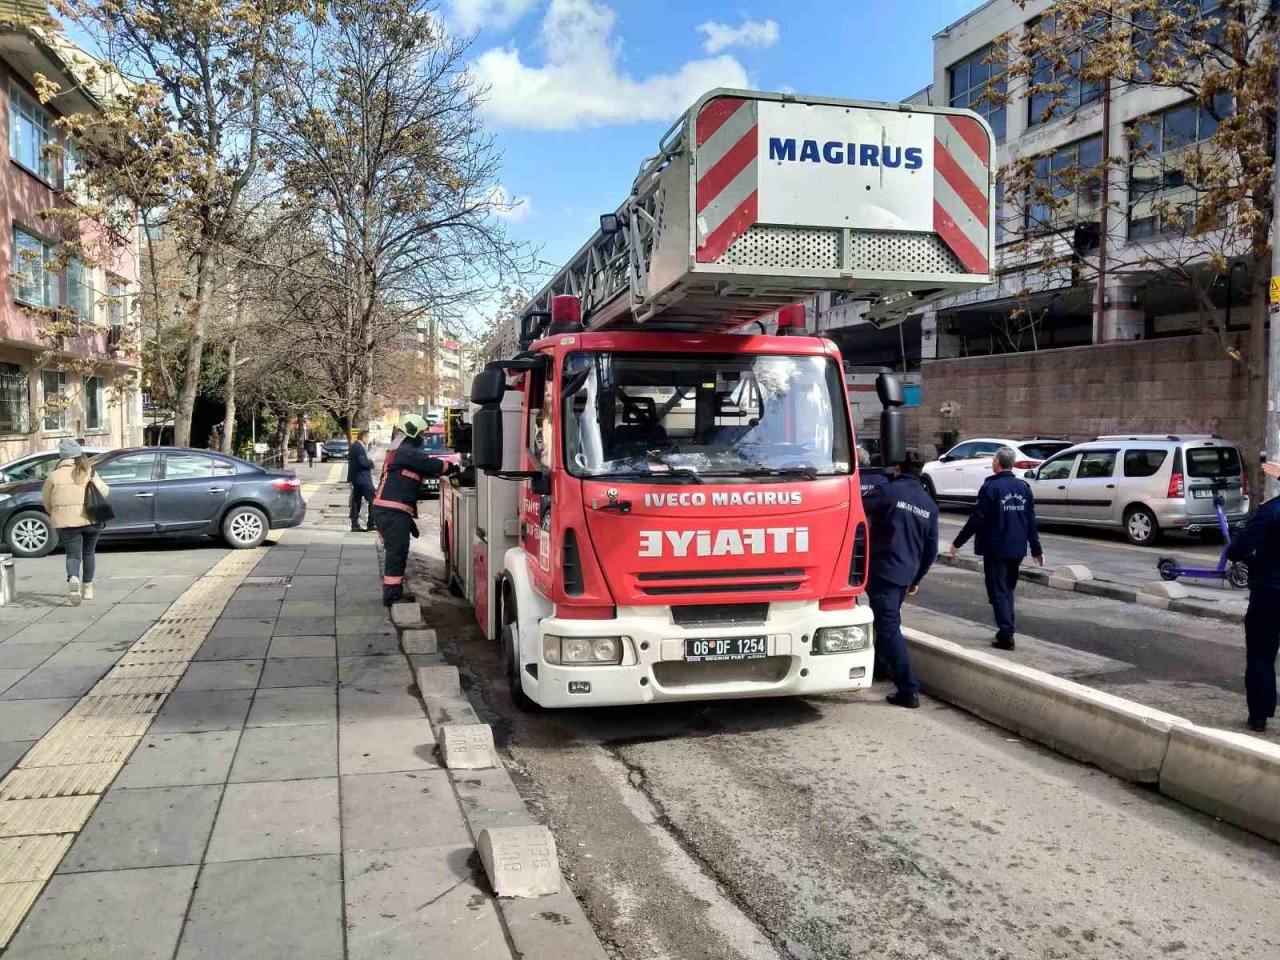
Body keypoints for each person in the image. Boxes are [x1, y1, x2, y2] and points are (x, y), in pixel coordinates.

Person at [862, 453, 939, 709]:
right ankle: (880, 667)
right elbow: (931, 549)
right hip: (905, 575)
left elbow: (858, 507)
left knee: (889, 627)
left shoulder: (888, 491)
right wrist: (917, 578)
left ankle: (908, 689)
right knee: (887, 621)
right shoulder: (929, 504)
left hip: (883, 571)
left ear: (897, 468)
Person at [950, 446, 1044, 650]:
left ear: (998, 463)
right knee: (1007, 590)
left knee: (998, 592)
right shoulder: (1023, 488)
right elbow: (1030, 520)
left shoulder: (991, 488)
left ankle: (1007, 634)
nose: (992, 462)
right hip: (1017, 549)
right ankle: (1007, 628)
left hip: (996, 549)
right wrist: (1036, 549)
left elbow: (978, 518)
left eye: (993, 460)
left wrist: (958, 542)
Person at [372, 413, 457, 605]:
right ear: (413, 432)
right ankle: (392, 596)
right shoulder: (406, 451)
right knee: (397, 552)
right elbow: (431, 464)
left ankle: (395, 593)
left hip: (392, 511)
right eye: (421, 433)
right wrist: (453, 467)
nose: (422, 438)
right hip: (391, 511)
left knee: (398, 551)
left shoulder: (400, 449)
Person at [1225, 460, 1280, 732]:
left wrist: (1255, 563)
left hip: (1270, 592)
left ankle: (1259, 715)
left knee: (1261, 654)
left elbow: (1237, 549)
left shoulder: (1270, 511)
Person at [41, 439, 110, 604]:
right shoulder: (88, 471)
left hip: (67, 523)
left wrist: (58, 513)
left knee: (73, 554)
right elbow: (105, 491)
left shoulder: (53, 476)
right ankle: (88, 589)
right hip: (91, 519)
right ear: (79, 454)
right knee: (89, 553)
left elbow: (46, 501)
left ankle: (73, 578)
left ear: (61, 456)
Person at [348, 430, 375, 532]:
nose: (368, 440)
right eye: (367, 438)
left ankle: (355, 524)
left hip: (357, 479)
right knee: (373, 500)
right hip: (363, 479)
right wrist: (371, 463)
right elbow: (362, 462)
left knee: (356, 501)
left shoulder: (355, 446)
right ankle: (371, 523)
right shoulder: (359, 447)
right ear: (363, 438)